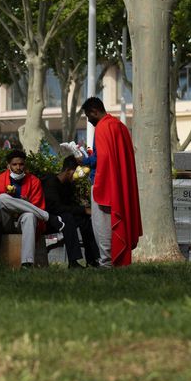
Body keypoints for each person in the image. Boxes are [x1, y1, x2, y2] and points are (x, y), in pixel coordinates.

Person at [82, 96, 142, 267]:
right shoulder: (119, 126)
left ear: (94, 111)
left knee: (101, 226)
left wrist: (83, 161)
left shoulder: (102, 127)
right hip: (119, 185)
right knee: (111, 224)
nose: (89, 121)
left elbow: (102, 159)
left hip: (105, 185)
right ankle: (112, 261)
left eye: (88, 116)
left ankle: (106, 263)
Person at [0, 149, 55, 268]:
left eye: (21, 164)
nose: (18, 167)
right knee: (2, 198)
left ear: (25, 164)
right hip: (5, 221)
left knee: (30, 215)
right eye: (14, 164)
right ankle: (47, 216)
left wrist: (28, 205)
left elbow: (38, 205)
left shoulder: (34, 181)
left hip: (23, 223)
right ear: (8, 165)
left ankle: (27, 263)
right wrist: (25, 206)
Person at [42, 155, 100, 268]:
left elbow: (69, 206)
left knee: (84, 220)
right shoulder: (50, 182)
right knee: (68, 218)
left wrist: (83, 211)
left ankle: (93, 259)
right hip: (48, 219)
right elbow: (56, 208)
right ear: (69, 171)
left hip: (63, 217)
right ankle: (73, 262)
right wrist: (83, 210)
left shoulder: (68, 185)